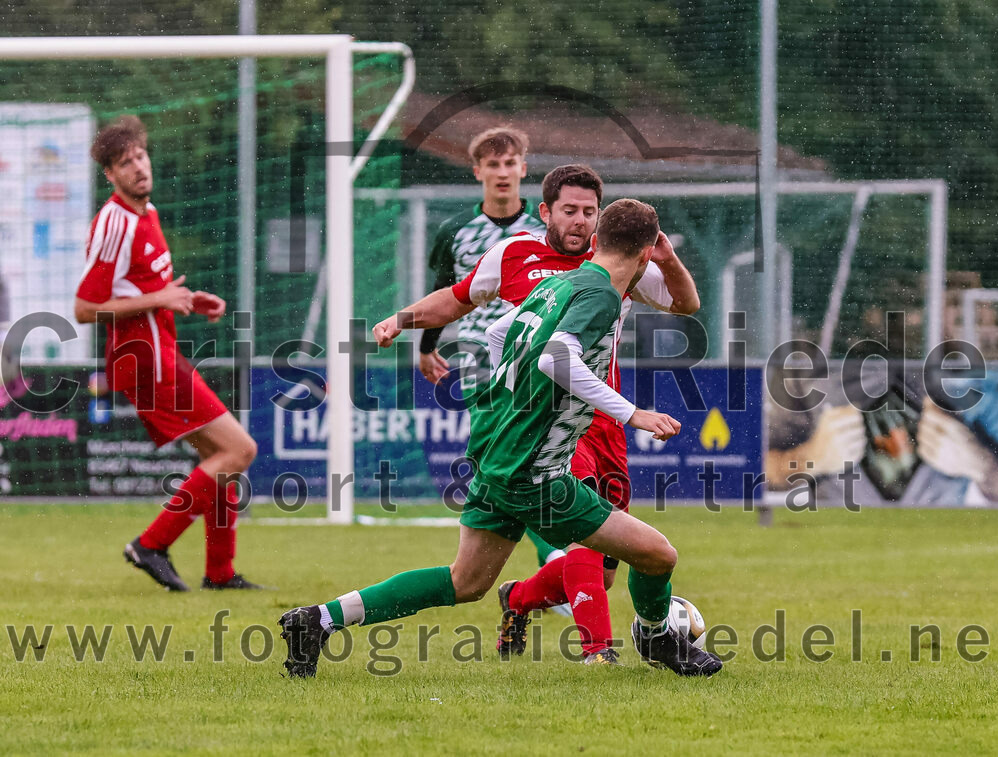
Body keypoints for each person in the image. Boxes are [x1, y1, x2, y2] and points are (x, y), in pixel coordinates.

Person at [279, 199, 723, 679]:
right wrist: (632, 413)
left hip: (500, 458)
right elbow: (557, 359)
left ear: (596, 241)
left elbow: (496, 333)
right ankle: (659, 640)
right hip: (538, 475)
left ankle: (318, 620)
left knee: (464, 581)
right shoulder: (601, 296)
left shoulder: (558, 283)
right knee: (658, 555)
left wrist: (513, 403)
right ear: (643, 259)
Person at [373, 164, 699, 664]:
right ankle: (598, 652)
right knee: (586, 525)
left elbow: (684, 303)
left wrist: (667, 257)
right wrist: (403, 318)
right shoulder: (514, 252)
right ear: (546, 211)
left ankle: (519, 597)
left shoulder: (616, 258)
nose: (581, 221)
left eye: (590, 211)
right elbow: (459, 301)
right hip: (532, 422)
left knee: (606, 563)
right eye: (570, 210)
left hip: (598, 417)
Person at [74, 115, 261, 592]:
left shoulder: (148, 213)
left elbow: (145, 289)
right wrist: (159, 300)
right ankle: (150, 544)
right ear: (110, 176)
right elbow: (85, 308)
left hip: (159, 351)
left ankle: (220, 573)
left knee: (221, 456)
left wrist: (189, 299)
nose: (137, 166)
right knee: (240, 450)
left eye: (140, 155)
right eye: (124, 163)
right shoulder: (115, 222)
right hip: (145, 359)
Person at [419, 126, 567, 577]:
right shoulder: (455, 231)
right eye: (493, 164)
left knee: (510, 458)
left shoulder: (547, 231)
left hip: (536, 356)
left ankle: (544, 561)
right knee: (512, 457)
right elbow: (444, 292)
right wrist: (426, 347)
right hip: (479, 359)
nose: (502, 173)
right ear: (478, 171)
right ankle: (552, 559)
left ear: (523, 169)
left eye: (510, 164)